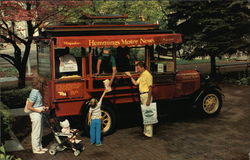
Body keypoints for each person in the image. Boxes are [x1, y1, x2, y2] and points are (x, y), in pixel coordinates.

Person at [125, 61, 154, 138]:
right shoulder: (142, 75)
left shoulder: (148, 75)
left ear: (142, 67)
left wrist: (148, 99)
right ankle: (146, 132)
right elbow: (136, 83)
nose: (137, 69)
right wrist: (130, 76)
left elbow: (150, 88)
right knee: (145, 114)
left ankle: (149, 133)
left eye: (138, 68)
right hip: (142, 95)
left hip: (146, 95)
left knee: (148, 114)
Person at [27, 77, 48, 154]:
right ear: (39, 84)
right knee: (36, 132)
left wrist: (42, 107)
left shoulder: (38, 91)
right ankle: (36, 149)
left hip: (39, 113)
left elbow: (37, 104)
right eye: (43, 84)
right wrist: (38, 109)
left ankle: (39, 147)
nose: (44, 86)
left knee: (40, 131)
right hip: (35, 114)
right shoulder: (34, 92)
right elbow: (29, 107)